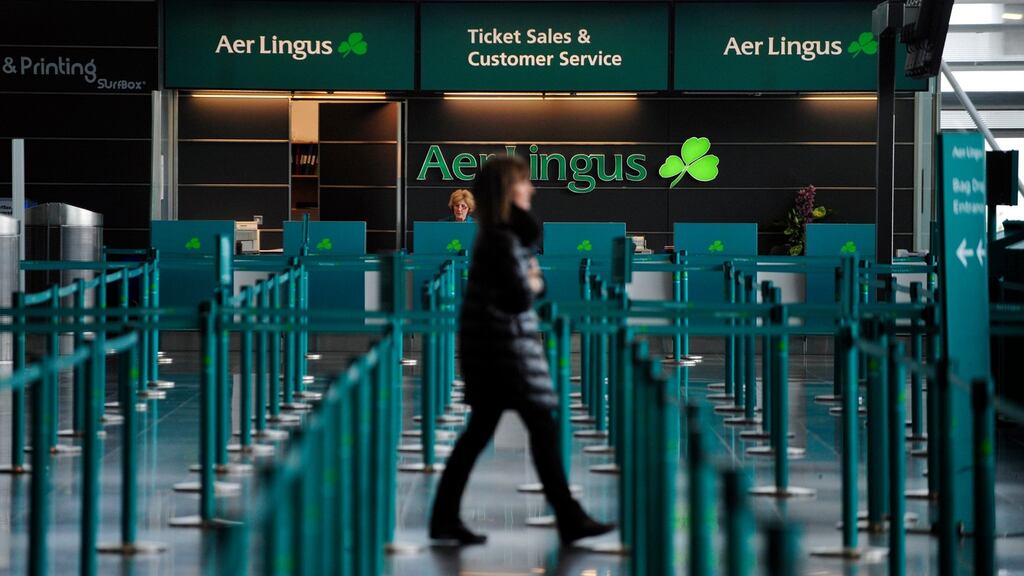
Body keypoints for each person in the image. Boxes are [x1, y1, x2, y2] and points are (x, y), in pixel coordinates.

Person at [429, 156, 614, 546]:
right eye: (524, 183)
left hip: (500, 349)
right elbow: (519, 294)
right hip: (503, 352)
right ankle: (568, 517)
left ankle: (447, 517)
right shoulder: (501, 238)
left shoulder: (502, 235)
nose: (531, 189)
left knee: (490, 432)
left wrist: (531, 281)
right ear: (509, 191)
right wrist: (533, 282)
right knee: (532, 429)